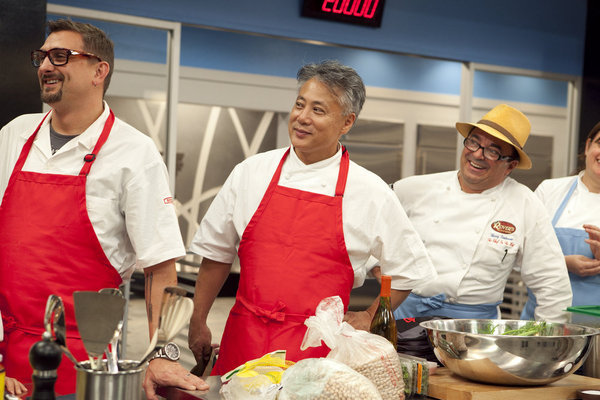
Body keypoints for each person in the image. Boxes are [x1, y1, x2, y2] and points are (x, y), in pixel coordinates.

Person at [187, 60, 437, 376]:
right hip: (244, 340)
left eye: (318, 110)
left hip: (317, 353)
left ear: (347, 122)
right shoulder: (251, 172)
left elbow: (409, 269)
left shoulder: (369, 191)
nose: (302, 118)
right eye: (299, 104)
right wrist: (198, 321)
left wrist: (369, 316)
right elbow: (216, 255)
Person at [0, 19, 207, 397]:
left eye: (60, 56)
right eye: (42, 57)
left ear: (100, 70)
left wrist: (161, 351)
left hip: (88, 363)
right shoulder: (14, 135)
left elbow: (161, 266)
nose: (46, 66)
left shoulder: (133, 153)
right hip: (7, 355)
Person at [389, 104, 572, 322]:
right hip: (403, 318)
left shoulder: (525, 204)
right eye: (473, 142)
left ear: (511, 166)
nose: (477, 154)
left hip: (473, 330)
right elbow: (367, 234)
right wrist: (378, 268)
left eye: (493, 151)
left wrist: (546, 345)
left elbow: (552, 283)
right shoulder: (413, 189)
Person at [521, 122, 600, 320]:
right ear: (588, 146)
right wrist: (563, 263)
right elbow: (517, 252)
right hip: (543, 322)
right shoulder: (550, 191)